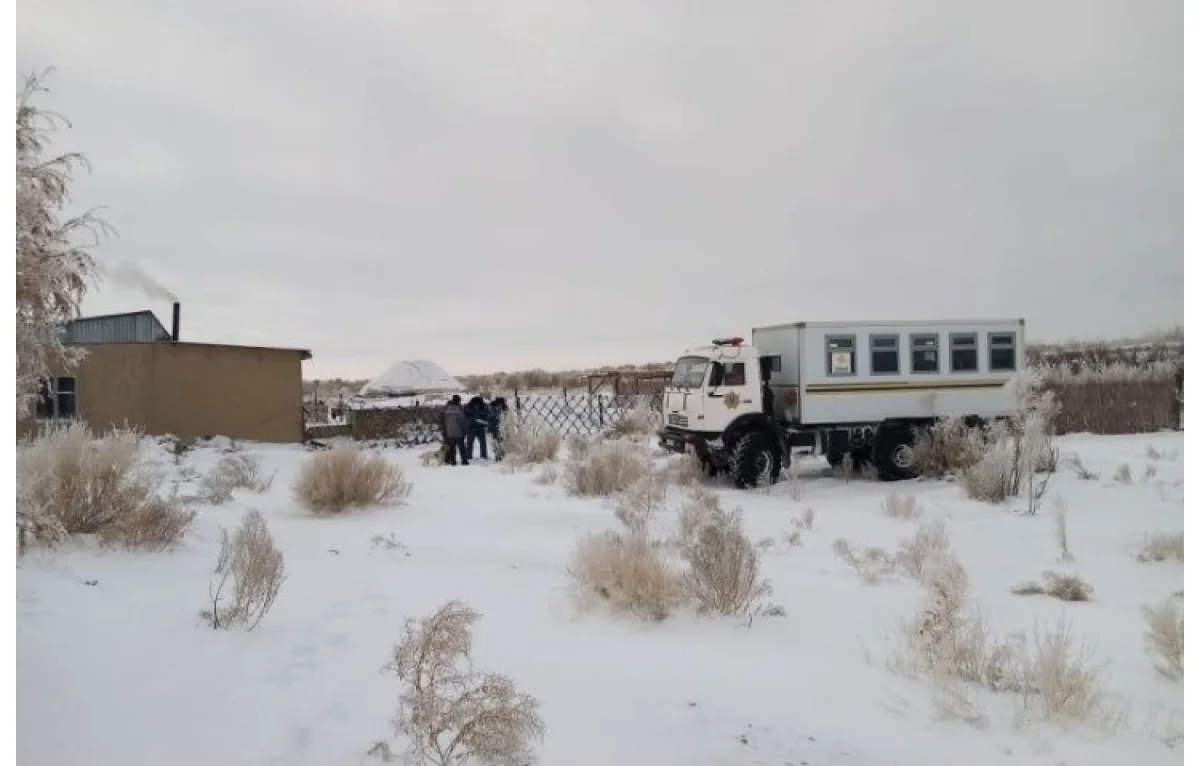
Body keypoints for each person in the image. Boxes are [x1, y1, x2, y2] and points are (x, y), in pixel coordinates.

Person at [442, 395, 470, 466]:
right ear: (458, 401)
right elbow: (462, 422)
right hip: (459, 432)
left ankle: (453, 461)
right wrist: (466, 431)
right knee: (462, 447)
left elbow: (445, 421)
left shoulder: (447, 409)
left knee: (452, 448)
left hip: (450, 431)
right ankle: (464, 461)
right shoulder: (459, 409)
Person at [463, 395, 490, 461]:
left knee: (483, 443)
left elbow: (487, 416)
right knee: (469, 443)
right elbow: (464, 417)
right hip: (471, 427)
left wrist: (484, 421)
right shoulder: (467, 407)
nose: (476, 406)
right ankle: (469, 457)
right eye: (475, 405)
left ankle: (484, 456)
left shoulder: (485, 407)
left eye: (478, 405)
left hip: (481, 427)